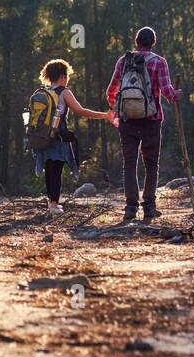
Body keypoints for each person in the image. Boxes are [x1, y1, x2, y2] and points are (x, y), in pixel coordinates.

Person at [105, 26, 180, 221]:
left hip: (127, 121)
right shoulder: (159, 62)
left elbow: (111, 91)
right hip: (152, 120)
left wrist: (121, 109)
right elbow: (167, 91)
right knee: (151, 164)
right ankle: (149, 206)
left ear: (136, 41)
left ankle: (130, 208)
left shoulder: (123, 61)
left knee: (129, 163)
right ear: (153, 42)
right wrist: (176, 95)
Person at [33, 58, 113, 214]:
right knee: (56, 169)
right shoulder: (64, 92)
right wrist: (105, 115)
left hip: (42, 137)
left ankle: (51, 203)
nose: (67, 79)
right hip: (58, 137)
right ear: (63, 76)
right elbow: (81, 111)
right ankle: (54, 205)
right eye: (67, 75)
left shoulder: (43, 92)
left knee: (50, 169)